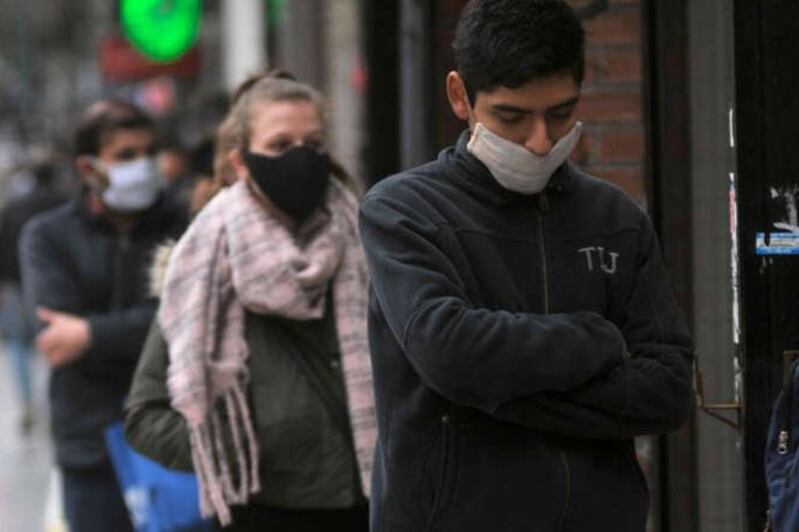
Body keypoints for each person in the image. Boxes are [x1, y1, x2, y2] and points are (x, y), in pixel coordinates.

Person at [357, 1, 695, 531]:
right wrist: (597, 340)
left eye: (560, 114)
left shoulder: (614, 219)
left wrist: (493, 393)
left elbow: (671, 390)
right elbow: (449, 353)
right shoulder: (403, 212)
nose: (540, 142)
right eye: (512, 117)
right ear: (459, 96)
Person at [124, 72, 376, 532]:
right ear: (242, 163)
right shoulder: (204, 262)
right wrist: (234, 448)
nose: (301, 157)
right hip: (263, 511)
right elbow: (144, 416)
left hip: (370, 503)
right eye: (280, 145)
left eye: (313, 143)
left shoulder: (365, 239)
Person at [19, 99, 186, 532]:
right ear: (89, 168)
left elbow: (188, 320)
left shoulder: (185, 222)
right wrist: (150, 324)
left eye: (149, 152)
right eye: (125, 155)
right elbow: (55, 337)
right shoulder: (49, 235)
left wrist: (90, 333)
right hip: (90, 445)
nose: (143, 165)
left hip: (174, 437)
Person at [0, 161, 66, 433]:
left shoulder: (14, 207)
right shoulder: (62, 204)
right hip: (51, 286)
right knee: (53, 344)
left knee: (19, 346)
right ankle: (52, 404)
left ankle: (27, 402)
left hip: (15, 286)